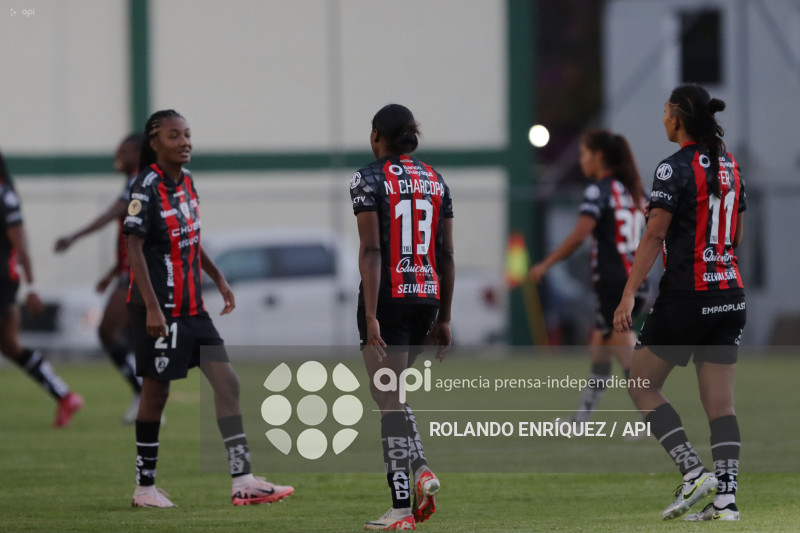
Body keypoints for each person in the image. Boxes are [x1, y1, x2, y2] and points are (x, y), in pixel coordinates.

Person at [123, 109, 293, 508]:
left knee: (227, 382)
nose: (184, 142)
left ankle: (243, 480)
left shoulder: (187, 183)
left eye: (186, 134)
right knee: (156, 394)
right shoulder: (144, 187)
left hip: (193, 308)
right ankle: (144, 488)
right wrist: (151, 307)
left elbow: (190, 238)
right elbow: (133, 248)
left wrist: (216, 277)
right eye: (173, 135)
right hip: (159, 308)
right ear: (154, 143)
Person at [614, 84, 746, 522]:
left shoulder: (673, 169)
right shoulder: (730, 165)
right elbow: (736, 236)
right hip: (729, 293)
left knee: (640, 383)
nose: (662, 117)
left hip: (688, 295)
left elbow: (654, 234)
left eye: (666, 110)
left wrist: (629, 292)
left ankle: (693, 473)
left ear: (678, 119)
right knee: (721, 406)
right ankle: (726, 502)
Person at [351, 104, 455, 531]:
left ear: (377, 136)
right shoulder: (435, 178)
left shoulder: (368, 177)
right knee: (391, 397)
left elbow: (372, 249)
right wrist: (445, 318)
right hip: (426, 298)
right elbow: (446, 253)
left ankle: (402, 506)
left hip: (389, 298)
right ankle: (419, 475)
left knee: (388, 401)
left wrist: (371, 315)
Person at [529, 129, 647, 423]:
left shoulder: (599, 190)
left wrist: (547, 263)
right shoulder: (634, 190)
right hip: (637, 281)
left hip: (615, 285)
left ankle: (656, 416)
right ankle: (581, 419)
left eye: (583, 154)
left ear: (599, 156)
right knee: (599, 350)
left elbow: (580, 235)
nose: (581, 160)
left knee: (626, 354)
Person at [54, 134, 144, 424]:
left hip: (138, 271)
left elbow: (115, 212)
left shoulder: (138, 179)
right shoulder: (137, 179)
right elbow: (130, 235)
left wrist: (74, 236)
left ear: (136, 153)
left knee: (107, 331)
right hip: (128, 270)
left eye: (122, 151)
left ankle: (145, 392)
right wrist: (111, 273)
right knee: (128, 337)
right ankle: (144, 394)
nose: (116, 156)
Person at [0, 150, 83, 427]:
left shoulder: (5, 194)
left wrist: (33, 286)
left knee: (10, 344)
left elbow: (20, 241)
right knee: (10, 345)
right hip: (6, 280)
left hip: (2, 278)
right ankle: (64, 395)